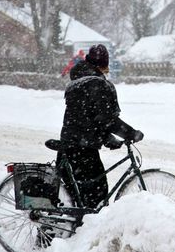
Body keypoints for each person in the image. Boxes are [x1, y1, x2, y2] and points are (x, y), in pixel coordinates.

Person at [58, 44, 143, 209]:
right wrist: (130, 133)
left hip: (71, 145)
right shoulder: (97, 85)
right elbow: (105, 118)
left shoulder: (78, 82)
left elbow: (87, 118)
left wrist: (106, 137)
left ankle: (72, 228)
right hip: (83, 150)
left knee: (77, 198)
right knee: (97, 196)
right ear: (103, 64)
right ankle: (86, 229)